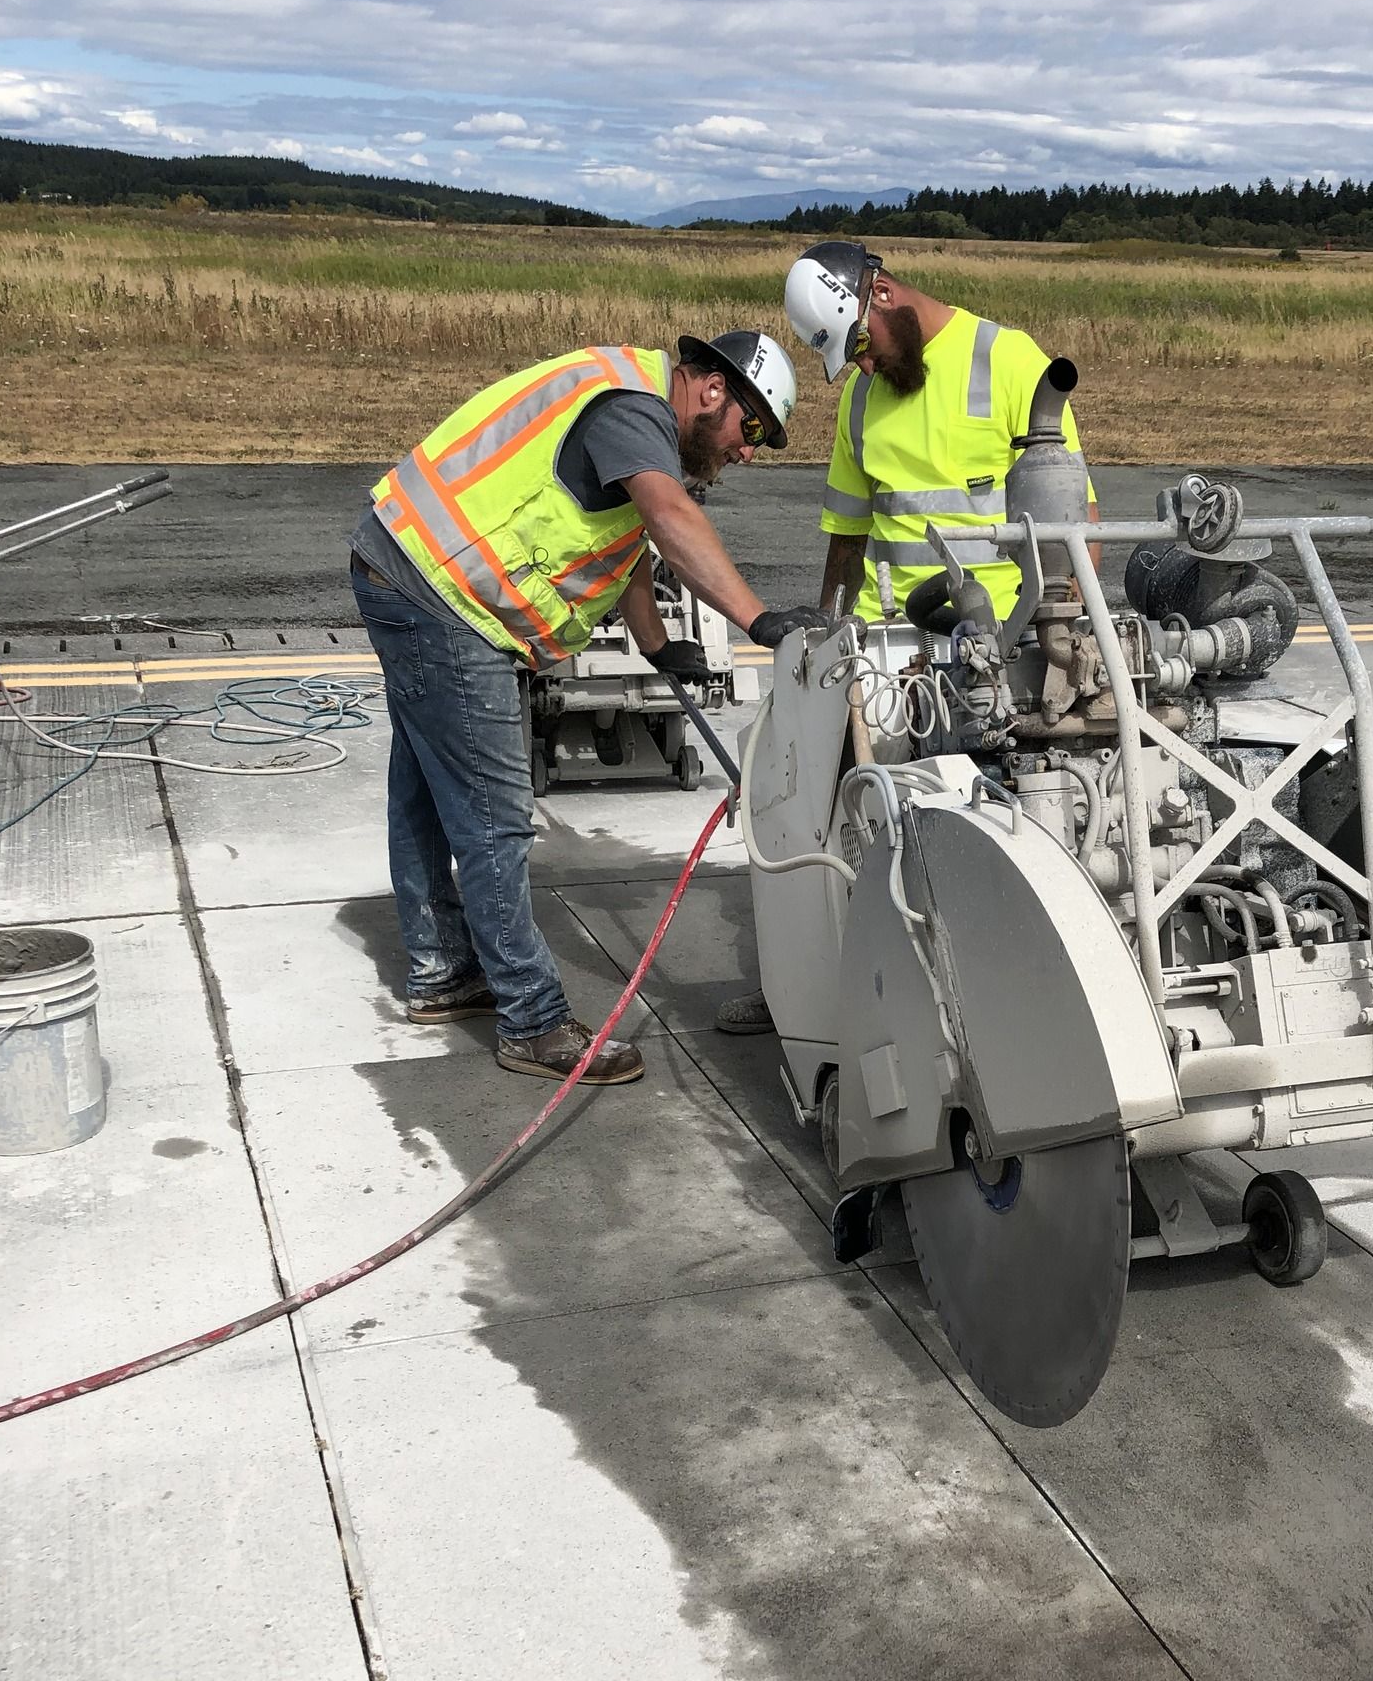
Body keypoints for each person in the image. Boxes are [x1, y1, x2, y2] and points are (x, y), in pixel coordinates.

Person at [350, 330, 824, 1082]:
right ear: (711, 390)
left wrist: (659, 643)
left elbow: (627, 539)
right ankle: (531, 1021)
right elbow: (666, 517)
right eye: (752, 428)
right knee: (493, 814)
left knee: (425, 789)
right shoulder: (632, 404)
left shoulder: (637, 420)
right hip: (442, 590)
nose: (749, 451)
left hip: (407, 563)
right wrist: (756, 619)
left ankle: (442, 969)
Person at [714, 243, 1096, 1034]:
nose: (861, 365)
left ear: (882, 294)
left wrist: (1069, 641)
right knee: (839, 818)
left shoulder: (1008, 360)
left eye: (859, 343)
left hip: (1014, 654)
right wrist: (822, 653)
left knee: (1009, 833)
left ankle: (996, 1008)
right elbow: (847, 540)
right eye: (848, 356)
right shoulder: (861, 401)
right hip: (898, 664)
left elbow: (1073, 525)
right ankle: (814, 992)